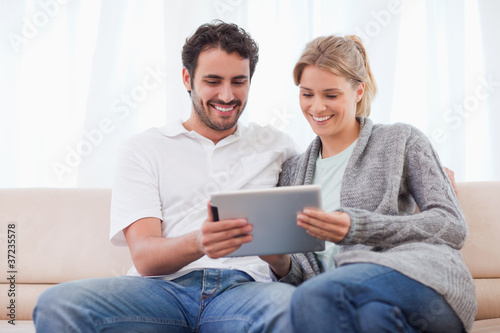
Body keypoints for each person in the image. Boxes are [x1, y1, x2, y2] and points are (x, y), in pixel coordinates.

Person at [33, 20, 297, 332]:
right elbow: (145, 256)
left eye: (238, 82)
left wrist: (278, 259)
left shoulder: (278, 146)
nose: (227, 96)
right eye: (213, 81)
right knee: (58, 304)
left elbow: (294, 257)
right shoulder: (144, 148)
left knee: (295, 307)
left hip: (246, 290)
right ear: (188, 78)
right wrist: (201, 241)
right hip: (162, 292)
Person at [278, 35, 477, 332]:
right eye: (307, 94)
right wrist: (276, 259)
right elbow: (302, 271)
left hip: (422, 278)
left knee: (315, 296)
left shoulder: (400, 140)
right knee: (370, 319)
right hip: (355, 300)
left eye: (331, 95)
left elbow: (452, 225)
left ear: (358, 90)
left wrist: (356, 226)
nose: (317, 107)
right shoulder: (292, 173)